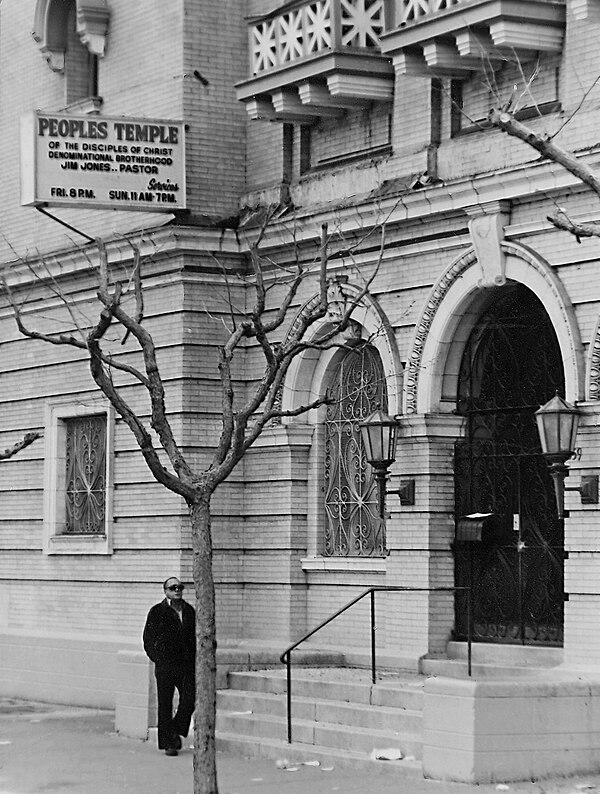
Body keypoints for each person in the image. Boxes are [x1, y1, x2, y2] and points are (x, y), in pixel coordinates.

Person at [143, 577, 196, 756]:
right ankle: (169, 744)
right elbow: (148, 639)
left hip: (185, 665)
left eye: (180, 587)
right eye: (173, 588)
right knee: (164, 704)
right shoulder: (157, 612)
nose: (177, 590)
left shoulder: (189, 611)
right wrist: (157, 658)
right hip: (165, 666)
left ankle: (173, 729)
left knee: (189, 699)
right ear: (165, 591)